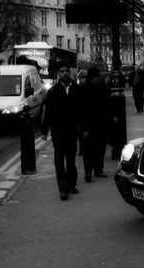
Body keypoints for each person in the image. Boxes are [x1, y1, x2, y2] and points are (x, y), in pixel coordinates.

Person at [41, 62, 81, 200]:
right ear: (59, 73)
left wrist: (83, 128)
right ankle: (63, 189)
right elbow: (49, 112)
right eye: (62, 71)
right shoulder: (53, 91)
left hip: (71, 130)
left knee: (70, 159)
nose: (64, 73)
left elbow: (82, 111)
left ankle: (71, 184)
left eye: (66, 71)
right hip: (58, 130)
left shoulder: (76, 89)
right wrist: (44, 131)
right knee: (59, 160)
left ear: (69, 72)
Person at [78, 67, 112, 181]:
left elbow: (81, 111)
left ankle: (90, 172)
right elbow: (106, 108)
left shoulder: (84, 89)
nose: (100, 78)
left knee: (90, 150)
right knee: (97, 150)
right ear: (95, 77)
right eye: (99, 76)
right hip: (98, 125)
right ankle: (96, 170)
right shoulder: (100, 89)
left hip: (91, 126)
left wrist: (84, 128)